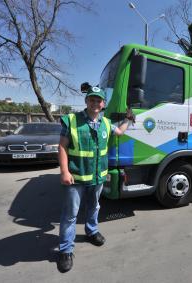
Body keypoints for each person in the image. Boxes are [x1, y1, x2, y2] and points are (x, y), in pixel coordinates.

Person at [56, 86, 133, 273]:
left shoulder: (106, 123)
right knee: (70, 215)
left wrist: (128, 120)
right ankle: (66, 250)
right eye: (92, 99)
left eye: (98, 100)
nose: (95, 103)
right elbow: (62, 147)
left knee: (94, 207)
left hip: (97, 177)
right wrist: (64, 171)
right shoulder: (72, 120)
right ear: (86, 101)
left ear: (103, 104)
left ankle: (91, 232)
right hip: (76, 177)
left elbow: (120, 132)